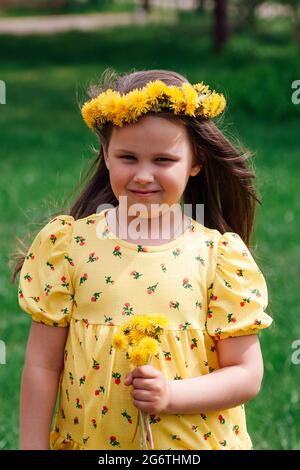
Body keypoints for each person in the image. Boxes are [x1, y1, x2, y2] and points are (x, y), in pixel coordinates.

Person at [14, 68, 273, 450]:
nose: (144, 175)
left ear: (196, 161)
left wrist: (170, 396)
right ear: (106, 155)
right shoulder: (68, 246)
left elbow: (246, 374)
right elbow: (41, 365)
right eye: (128, 157)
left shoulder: (217, 256)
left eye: (164, 160)